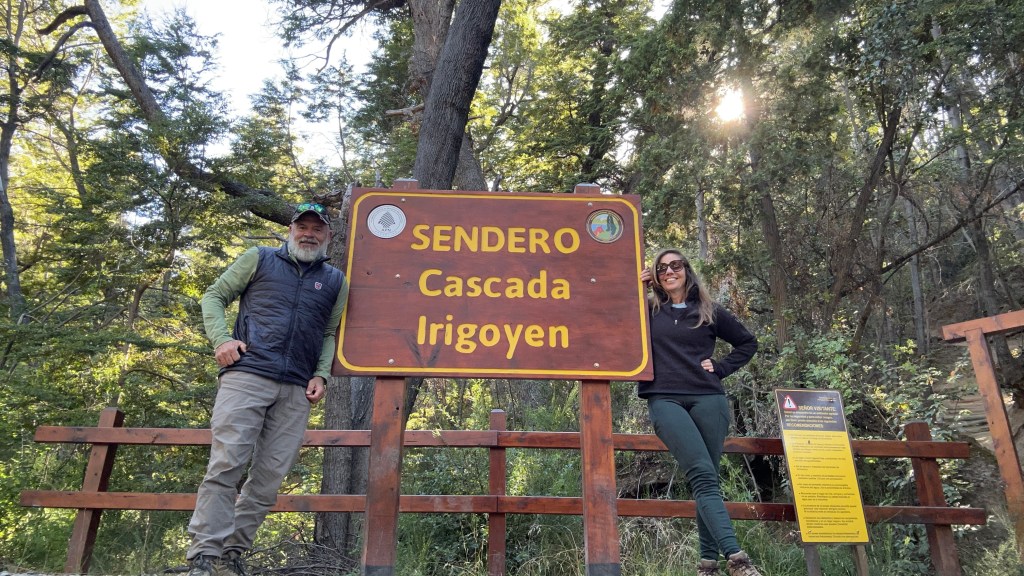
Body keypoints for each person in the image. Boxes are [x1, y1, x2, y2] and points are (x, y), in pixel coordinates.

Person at [185, 202, 349, 576]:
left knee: (268, 479)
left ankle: (231, 555)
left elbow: (328, 333)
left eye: (317, 228)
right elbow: (213, 296)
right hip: (247, 375)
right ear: (290, 230)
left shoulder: (336, 281)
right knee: (226, 465)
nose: (309, 233)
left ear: (328, 236)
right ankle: (204, 557)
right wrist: (221, 340)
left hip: (295, 388)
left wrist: (321, 374)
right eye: (302, 226)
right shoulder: (258, 258)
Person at [639, 249, 762, 576]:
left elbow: (748, 344)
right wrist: (635, 289)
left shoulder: (709, 311)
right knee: (702, 475)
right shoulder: (648, 311)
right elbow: (615, 323)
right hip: (664, 399)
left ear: (687, 270)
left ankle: (708, 566)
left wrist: (720, 368)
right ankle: (737, 560)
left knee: (707, 480)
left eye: (675, 265)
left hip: (708, 399)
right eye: (661, 268)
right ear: (656, 276)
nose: (669, 271)